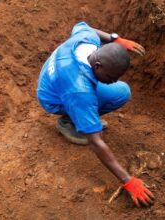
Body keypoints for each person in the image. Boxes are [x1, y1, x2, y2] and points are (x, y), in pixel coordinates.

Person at [36, 22, 154, 207]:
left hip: (57, 78)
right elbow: (96, 142)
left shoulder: (87, 41)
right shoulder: (79, 91)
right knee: (89, 114)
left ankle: (79, 116)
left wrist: (116, 39)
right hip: (53, 96)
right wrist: (128, 181)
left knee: (121, 91)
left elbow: (83, 26)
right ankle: (69, 122)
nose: (112, 81)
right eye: (110, 77)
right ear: (98, 65)